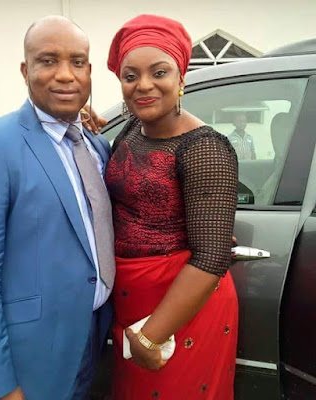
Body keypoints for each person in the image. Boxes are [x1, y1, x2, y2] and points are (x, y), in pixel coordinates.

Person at [0, 16, 114, 400]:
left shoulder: (96, 145)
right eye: (48, 61)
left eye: (77, 62)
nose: (65, 75)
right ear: (26, 70)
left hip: (93, 337)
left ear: (89, 72)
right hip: (28, 355)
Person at [105, 15, 239, 399]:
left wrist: (152, 336)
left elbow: (212, 257)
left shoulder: (204, 148)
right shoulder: (133, 128)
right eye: (131, 76)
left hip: (179, 308)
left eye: (159, 72)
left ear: (181, 77)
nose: (143, 85)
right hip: (132, 299)